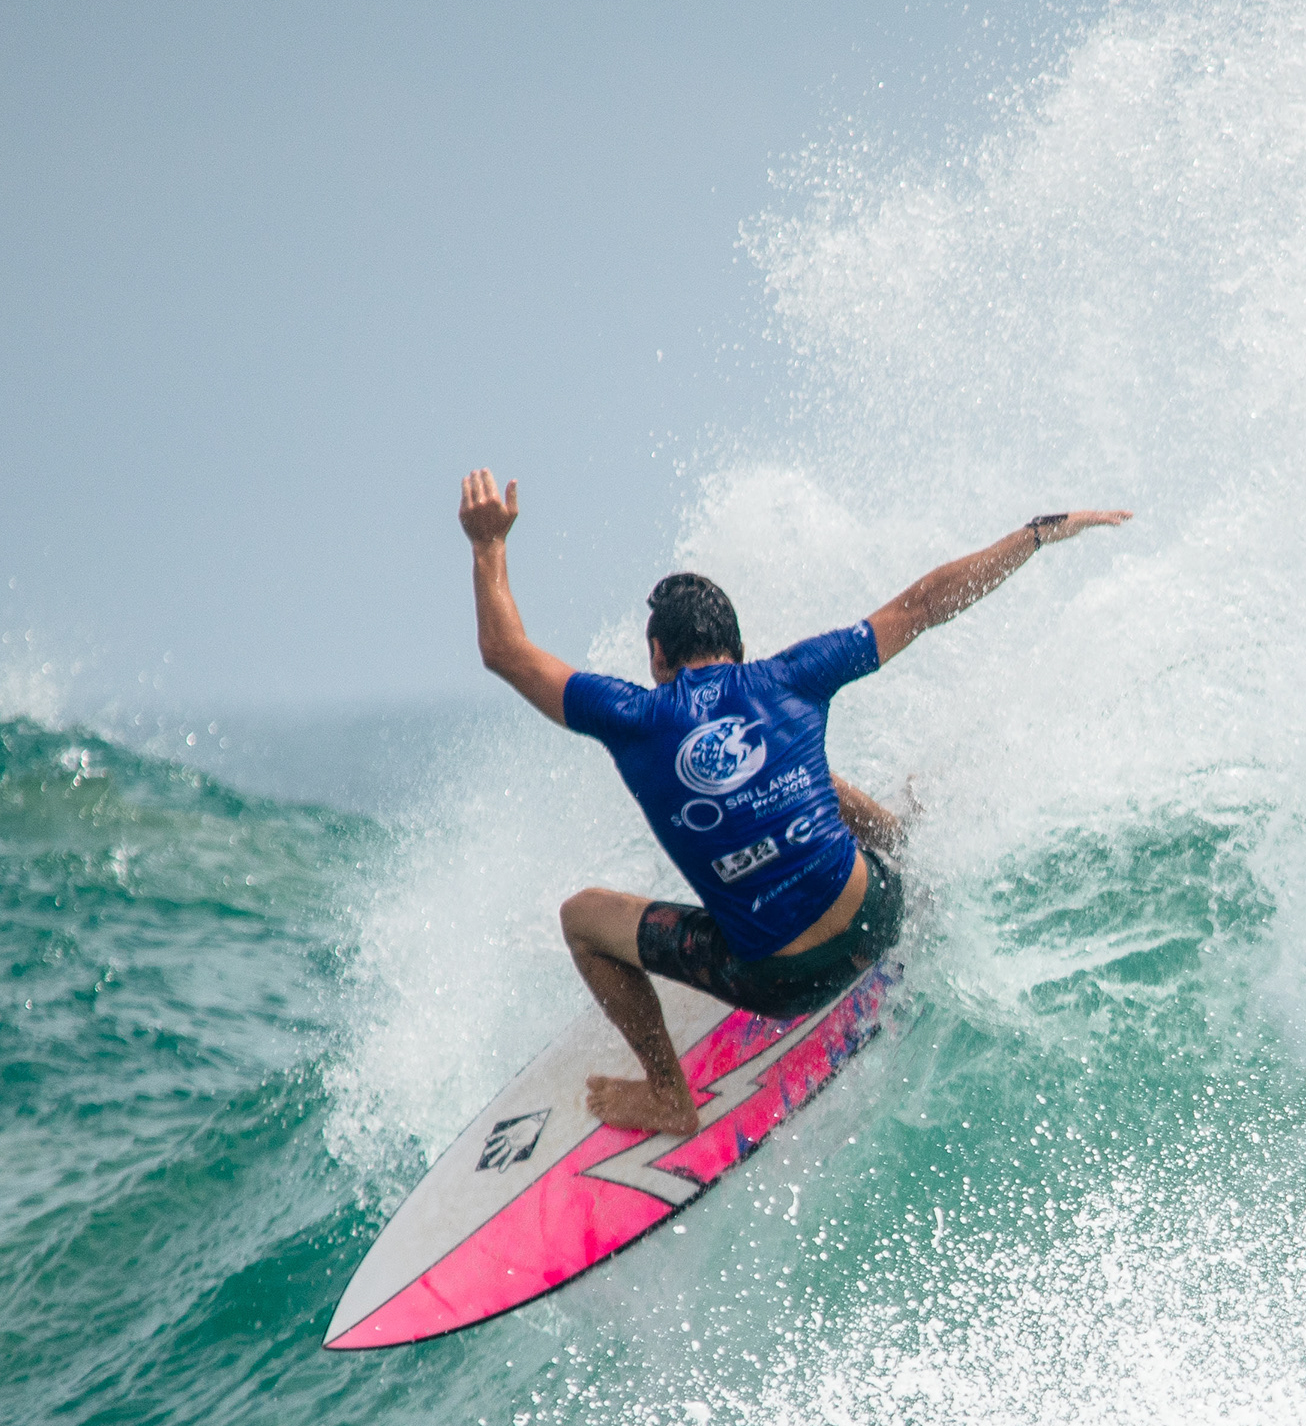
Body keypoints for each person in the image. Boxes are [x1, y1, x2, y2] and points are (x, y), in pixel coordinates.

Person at [459, 468, 1132, 1136]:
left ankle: (669, 1095)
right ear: (740, 648)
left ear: (657, 655)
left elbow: (507, 654)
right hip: (879, 916)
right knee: (815, 783)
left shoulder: (631, 715)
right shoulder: (792, 675)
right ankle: (911, 855)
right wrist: (1038, 534)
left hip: (781, 984)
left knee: (582, 918)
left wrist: (489, 542)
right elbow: (923, 605)